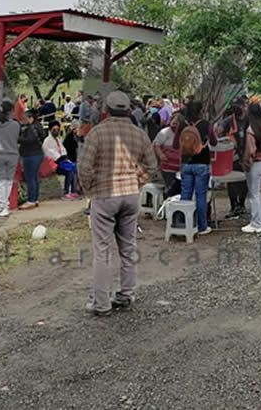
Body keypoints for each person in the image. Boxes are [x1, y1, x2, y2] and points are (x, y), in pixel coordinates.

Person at [78, 91, 158, 317]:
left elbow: (84, 168)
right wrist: (137, 180)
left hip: (104, 196)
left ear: (107, 109)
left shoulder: (97, 133)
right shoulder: (138, 134)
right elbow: (152, 166)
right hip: (131, 196)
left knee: (102, 251)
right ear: (129, 109)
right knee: (128, 247)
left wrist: (90, 189)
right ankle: (126, 294)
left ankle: (101, 304)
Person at [179, 101, 217, 236]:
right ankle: (202, 227)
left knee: (185, 195)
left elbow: (174, 144)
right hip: (202, 163)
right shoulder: (206, 125)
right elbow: (214, 141)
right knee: (201, 196)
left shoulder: (182, 125)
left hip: (185, 164)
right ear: (201, 111)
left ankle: (183, 224)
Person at [242, 103, 261, 234]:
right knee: (258, 193)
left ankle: (256, 223)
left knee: (254, 194)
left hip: (256, 164)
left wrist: (246, 162)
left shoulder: (251, 129)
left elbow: (250, 150)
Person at [0, 100, 21, 217]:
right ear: (11, 112)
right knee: (8, 181)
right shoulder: (16, 125)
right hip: (12, 154)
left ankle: (1, 206)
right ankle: (5, 206)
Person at [219, 98, 249, 221]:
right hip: (232, 156)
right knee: (231, 182)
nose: (237, 107)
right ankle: (233, 205)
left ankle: (241, 204)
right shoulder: (229, 120)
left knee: (244, 181)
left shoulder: (249, 120)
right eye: (235, 105)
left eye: (239, 105)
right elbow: (219, 131)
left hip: (246, 154)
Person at [18, 108, 47, 209]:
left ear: (31, 118)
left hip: (31, 155)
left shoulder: (32, 128)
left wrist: (18, 138)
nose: (23, 120)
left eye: (25, 118)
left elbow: (29, 140)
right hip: (38, 154)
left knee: (30, 178)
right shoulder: (38, 126)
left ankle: (31, 200)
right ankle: (35, 198)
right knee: (34, 178)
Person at [43, 121, 80, 199]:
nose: (56, 131)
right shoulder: (47, 141)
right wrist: (60, 157)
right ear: (50, 130)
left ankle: (73, 191)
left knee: (74, 168)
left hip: (62, 161)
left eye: (57, 130)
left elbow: (63, 150)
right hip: (54, 164)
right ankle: (66, 192)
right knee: (69, 170)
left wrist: (64, 157)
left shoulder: (58, 139)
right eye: (54, 130)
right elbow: (50, 153)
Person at [153, 113, 184, 198]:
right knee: (170, 187)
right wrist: (161, 155)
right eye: (173, 123)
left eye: (177, 124)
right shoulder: (164, 132)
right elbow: (156, 145)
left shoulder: (184, 132)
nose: (174, 126)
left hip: (180, 167)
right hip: (167, 166)